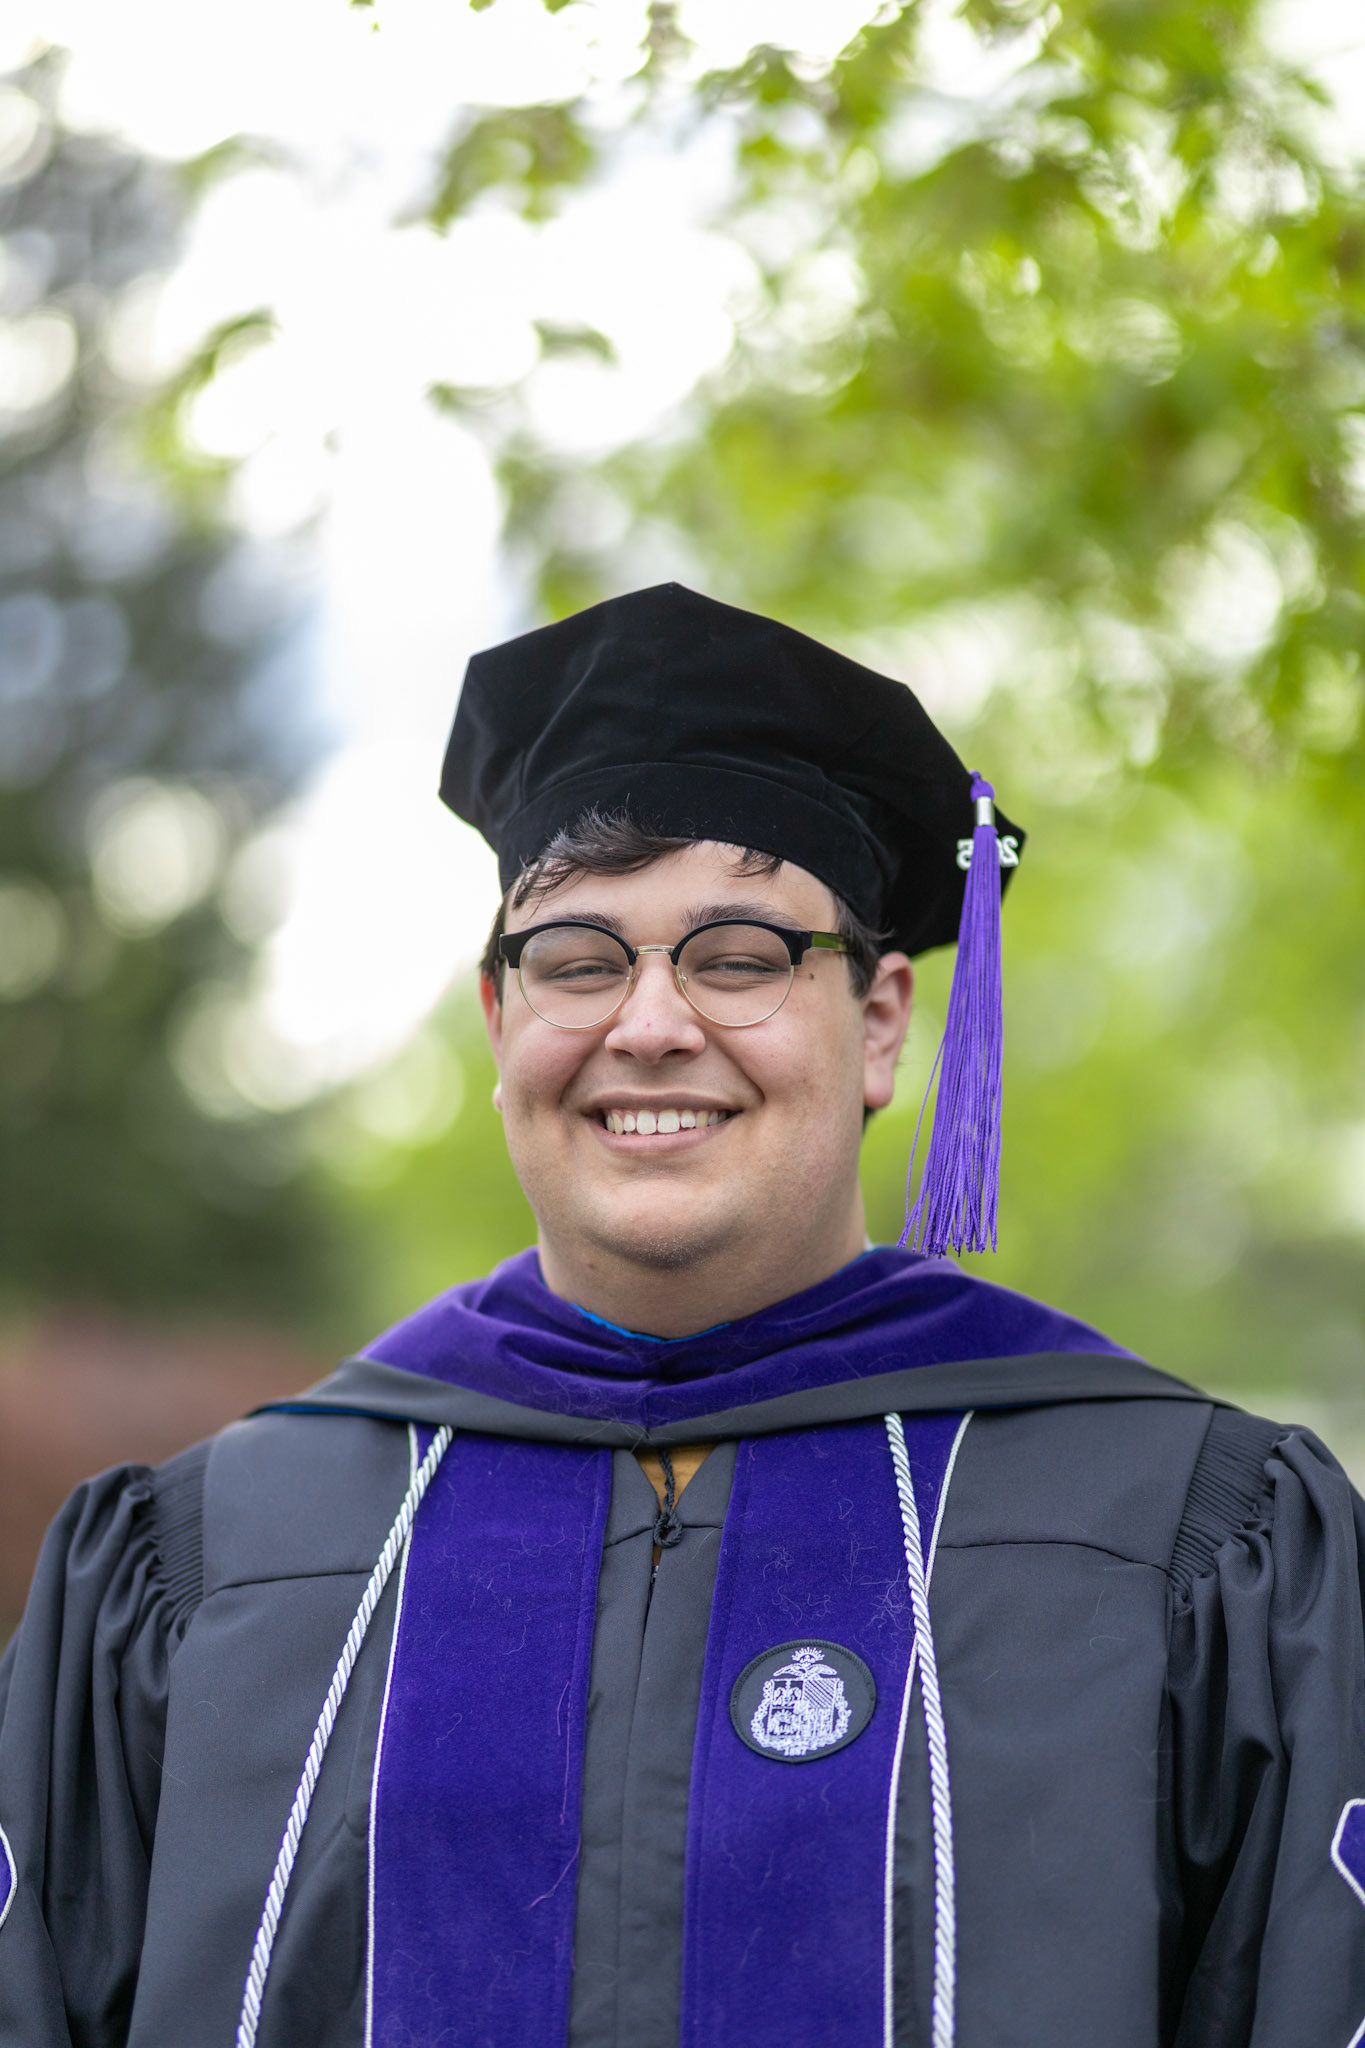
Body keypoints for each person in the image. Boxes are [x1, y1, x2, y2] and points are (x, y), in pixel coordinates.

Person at [2, 582, 1363, 2048]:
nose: (649, 1026)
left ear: (880, 1025)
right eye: (578, 962)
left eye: (738, 958)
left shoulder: (1180, 1533)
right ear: (501, 1022)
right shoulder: (211, 1561)